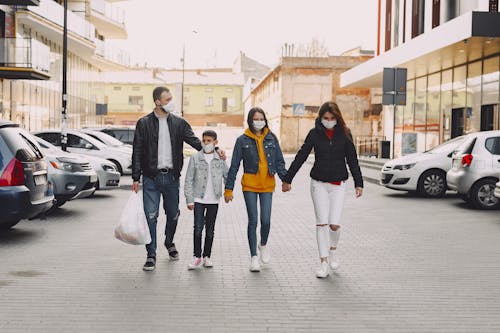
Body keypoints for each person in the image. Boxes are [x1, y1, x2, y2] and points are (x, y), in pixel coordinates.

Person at [132, 86, 225, 271]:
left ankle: (169, 241)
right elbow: (137, 150)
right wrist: (136, 177)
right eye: (167, 99)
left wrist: (214, 150)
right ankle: (151, 254)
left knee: (173, 215)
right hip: (151, 178)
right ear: (157, 102)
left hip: (172, 178)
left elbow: (195, 142)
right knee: (151, 217)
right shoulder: (143, 123)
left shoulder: (179, 124)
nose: (170, 102)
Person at [282, 101, 363, 278]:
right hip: (318, 183)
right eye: (325, 118)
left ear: (337, 118)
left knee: (334, 224)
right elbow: (302, 155)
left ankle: (333, 250)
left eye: (332, 118)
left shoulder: (345, 134)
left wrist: (359, 182)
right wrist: (288, 179)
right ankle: (323, 263)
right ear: (320, 118)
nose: (328, 121)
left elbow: (352, 160)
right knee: (321, 223)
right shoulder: (315, 134)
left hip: (338, 185)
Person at [224, 107, 287, 272]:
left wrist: (285, 180)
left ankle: (263, 244)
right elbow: (235, 165)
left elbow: (279, 161)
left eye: (262, 118)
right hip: (249, 185)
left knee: (266, 220)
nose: (259, 121)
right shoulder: (242, 140)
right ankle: (253, 257)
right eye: (256, 119)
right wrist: (229, 189)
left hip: (267, 185)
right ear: (250, 121)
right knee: (253, 220)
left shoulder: (272, 138)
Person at [184, 130, 228, 270]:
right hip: (198, 199)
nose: (206, 143)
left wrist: (228, 192)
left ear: (215, 142)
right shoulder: (196, 158)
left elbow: (227, 176)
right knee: (198, 228)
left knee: (210, 230)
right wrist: (189, 199)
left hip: (213, 200)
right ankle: (197, 257)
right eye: (204, 140)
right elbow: (188, 179)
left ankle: (207, 256)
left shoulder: (220, 158)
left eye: (209, 141)